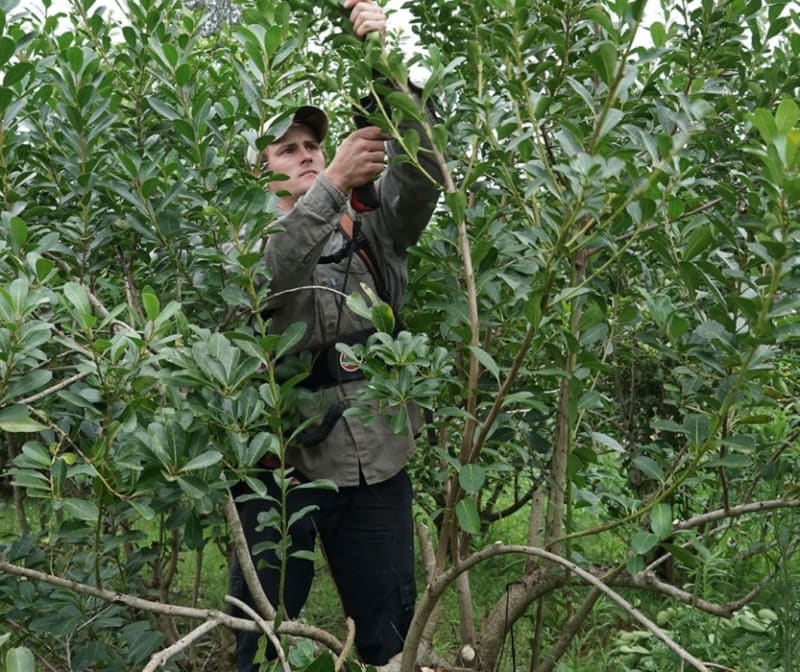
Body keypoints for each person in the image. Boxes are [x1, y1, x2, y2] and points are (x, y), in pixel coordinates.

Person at [229, 1, 442, 670]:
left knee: (388, 641)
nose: (304, 156)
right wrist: (330, 183)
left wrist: (389, 70)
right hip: (273, 468)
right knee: (263, 642)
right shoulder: (242, 239)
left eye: (313, 147)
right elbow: (267, 281)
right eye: (287, 150)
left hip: (373, 458)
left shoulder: (374, 224)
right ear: (261, 169)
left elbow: (427, 174)